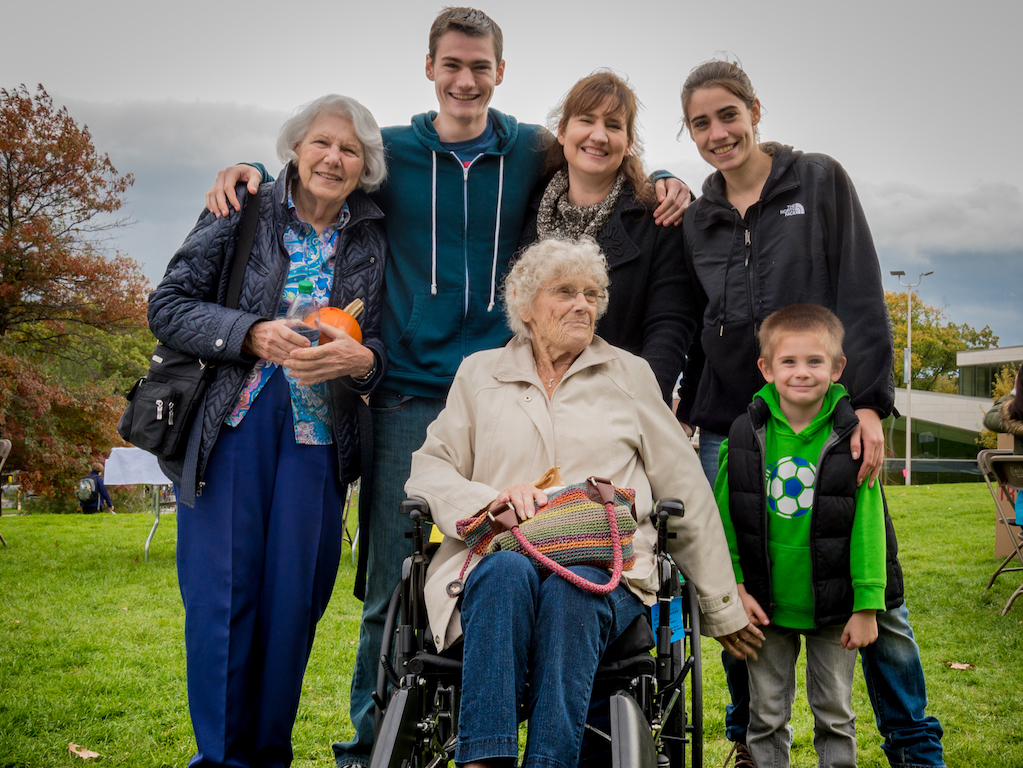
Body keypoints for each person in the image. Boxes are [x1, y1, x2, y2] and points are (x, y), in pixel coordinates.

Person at [200, 10, 691, 766]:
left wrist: (660, 177)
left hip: (506, 389)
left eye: (481, 67)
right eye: (452, 65)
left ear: (501, 72)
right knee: (392, 588)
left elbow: (595, 150)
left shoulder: (527, 147)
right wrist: (252, 170)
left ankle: (552, 711)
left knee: (531, 547)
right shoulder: (389, 152)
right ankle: (371, 745)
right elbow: (317, 164)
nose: (466, 80)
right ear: (428, 67)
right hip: (406, 391)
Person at [675, 59, 944, 768]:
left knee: (873, 587)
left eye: (726, 114)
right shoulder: (697, 220)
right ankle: (746, 739)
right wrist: (685, 409)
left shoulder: (817, 180)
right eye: (700, 122)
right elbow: (700, 323)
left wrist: (867, 406)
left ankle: (914, 747)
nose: (716, 132)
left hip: (827, 418)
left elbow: (857, 290)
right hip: (733, 427)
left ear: (753, 110)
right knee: (739, 593)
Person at [405, 237, 763, 768]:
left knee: (575, 593)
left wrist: (720, 605)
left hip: (607, 565)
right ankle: (486, 761)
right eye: (566, 292)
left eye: (592, 294)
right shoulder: (480, 374)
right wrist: (494, 499)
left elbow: (684, 487)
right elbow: (430, 468)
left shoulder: (629, 375)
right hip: (494, 562)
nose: (583, 304)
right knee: (505, 572)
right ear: (525, 306)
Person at [148, 93, 387, 768]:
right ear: (295, 148)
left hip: (317, 443)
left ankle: (268, 755)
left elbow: (387, 346)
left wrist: (363, 361)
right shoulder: (242, 207)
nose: (333, 158)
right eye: (321, 142)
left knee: (292, 610)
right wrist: (247, 331)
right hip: (233, 429)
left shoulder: (372, 238)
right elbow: (167, 305)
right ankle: (221, 760)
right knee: (226, 603)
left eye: (349, 149)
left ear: (365, 166)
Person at [715, 305, 891, 768]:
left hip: (834, 611)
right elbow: (724, 521)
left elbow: (871, 526)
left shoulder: (853, 440)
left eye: (815, 362)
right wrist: (734, 586)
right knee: (766, 716)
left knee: (834, 715)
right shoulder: (744, 434)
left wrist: (867, 604)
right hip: (767, 608)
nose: (802, 372)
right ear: (766, 368)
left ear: (837, 368)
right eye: (789, 362)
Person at [519, 70, 698, 403]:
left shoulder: (658, 217)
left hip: (616, 404)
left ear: (629, 143)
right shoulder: (528, 211)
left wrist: (641, 407)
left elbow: (669, 325)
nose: (598, 136)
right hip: (532, 404)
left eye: (614, 126)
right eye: (586, 120)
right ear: (562, 131)